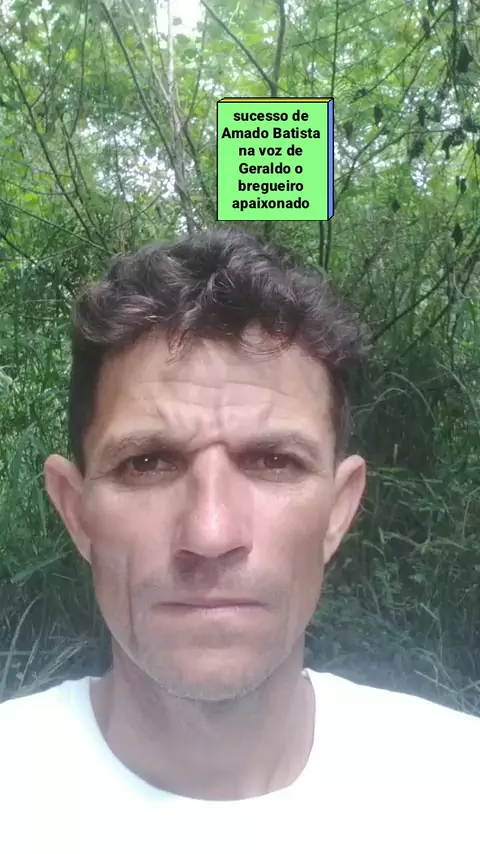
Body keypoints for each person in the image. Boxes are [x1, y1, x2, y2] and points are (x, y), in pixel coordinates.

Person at [1, 227, 478, 853]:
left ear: (338, 510)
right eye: (147, 463)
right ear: (76, 511)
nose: (210, 533)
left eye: (274, 461)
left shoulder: (459, 792)